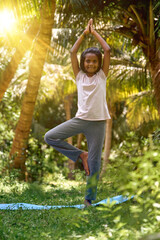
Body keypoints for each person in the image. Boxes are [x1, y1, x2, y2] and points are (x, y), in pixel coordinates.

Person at [44, 19, 111, 207]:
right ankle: (81, 154)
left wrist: (94, 32)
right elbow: (73, 52)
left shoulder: (102, 76)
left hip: (98, 123)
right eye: (87, 61)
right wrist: (84, 33)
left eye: (94, 61)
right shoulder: (79, 76)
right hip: (80, 120)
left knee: (95, 163)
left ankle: (88, 200)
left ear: (99, 64)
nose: (90, 64)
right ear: (83, 62)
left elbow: (107, 50)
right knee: (50, 136)